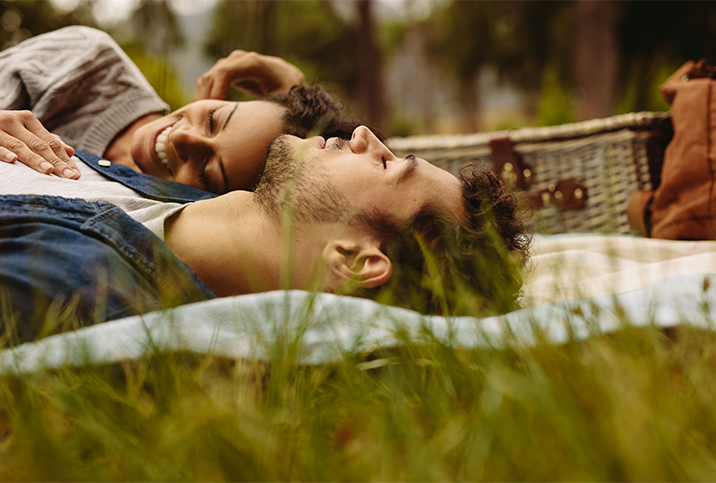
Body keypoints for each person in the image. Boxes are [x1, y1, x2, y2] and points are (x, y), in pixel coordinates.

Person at [0, 125, 530, 342]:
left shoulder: (79, 286)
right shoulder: (168, 197)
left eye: (390, 167)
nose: (367, 135)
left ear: (357, 257)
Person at [0, 26, 355, 194]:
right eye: (214, 119)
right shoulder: (89, 61)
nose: (185, 136)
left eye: (208, 172)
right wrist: (295, 94)